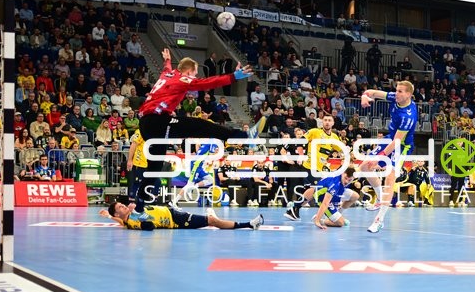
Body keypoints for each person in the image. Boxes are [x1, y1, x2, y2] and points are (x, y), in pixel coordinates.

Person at [136, 48, 253, 204]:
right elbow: (206, 83)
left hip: (146, 123)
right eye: (195, 73)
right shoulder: (182, 80)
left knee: (154, 168)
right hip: (157, 122)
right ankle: (241, 135)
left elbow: (166, 68)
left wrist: (167, 60)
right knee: (200, 125)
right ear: (188, 71)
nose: (196, 76)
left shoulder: (167, 75)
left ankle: (138, 207)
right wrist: (234, 76)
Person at [359, 80, 418, 233]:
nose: (396, 94)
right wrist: (364, 96)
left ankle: (379, 219)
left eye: (400, 92)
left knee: (389, 177)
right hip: (390, 137)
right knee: (364, 166)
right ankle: (380, 197)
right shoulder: (395, 97)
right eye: (396, 90)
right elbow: (372, 92)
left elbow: (397, 142)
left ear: (409, 95)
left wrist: (379, 158)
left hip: (402, 145)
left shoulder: (408, 116)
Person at [284, 114, 342, 220]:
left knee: (317, 189)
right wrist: (301, 155)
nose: (327, 122)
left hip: (321, 168)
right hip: (311, 165)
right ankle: (298, 209)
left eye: (329, 120)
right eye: (325, 120)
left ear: (333, 123)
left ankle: (294, 209)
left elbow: (341, 150)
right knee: (317, 188)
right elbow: (301, 141)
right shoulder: (315, 132)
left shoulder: (334, 137)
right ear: (322, 122)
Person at [101, 201, 263, 231]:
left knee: (211, 220)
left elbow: (121, 223)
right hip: (176, 220)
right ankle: (248, 224)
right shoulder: (133, 221)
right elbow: (149, 226)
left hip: (172, 212)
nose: (124, 206)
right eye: (121, 207)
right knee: (212, 221)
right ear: (118, 213)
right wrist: (135, 214)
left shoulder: (128, 219)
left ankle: (248, 224)